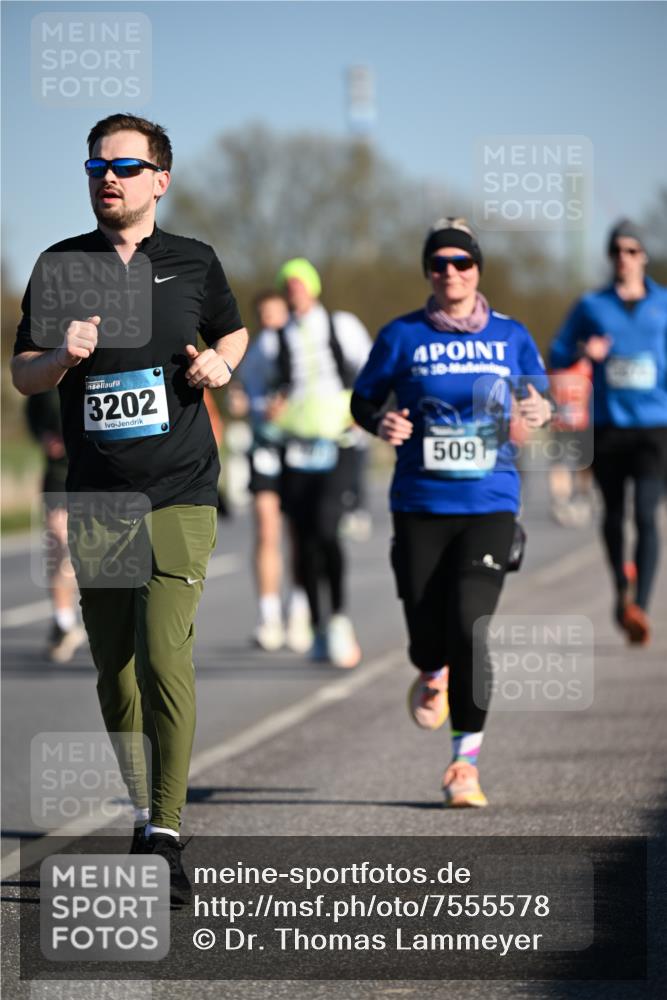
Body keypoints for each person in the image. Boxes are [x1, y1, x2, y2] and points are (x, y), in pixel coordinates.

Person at [11, 113, 248, 903]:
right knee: (114, 671)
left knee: (161, 651)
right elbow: (22, 376)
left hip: (180, 488)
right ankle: (145, 805)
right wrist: (61, 356)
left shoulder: (193, 262)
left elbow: (235, 333)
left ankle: (168, 830)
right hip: (98, 498)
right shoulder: (58, 266)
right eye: (94, 164)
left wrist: (219, 361)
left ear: (159, 179)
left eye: (123, 164)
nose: (106, 176)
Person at [351, 218, 552, 807]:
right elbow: (362, 400)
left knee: (470, 624)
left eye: (461, 263)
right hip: (419, 501)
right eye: (439, 264)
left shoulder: (511, 336)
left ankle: (464, 765)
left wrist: (538, 409)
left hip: (490, 499)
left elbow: (540, 396)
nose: (451, 273)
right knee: (424, 630)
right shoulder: (401, 336)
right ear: (428, 273)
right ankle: (429, 669)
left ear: (478, 270)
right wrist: (379, 422)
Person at [550, 219, 667, 645]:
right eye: (617, 250)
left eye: (633, 250)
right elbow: (556, 351)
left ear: (644, 256)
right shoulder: (591, 306)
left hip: (656, 426)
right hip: (607, 426)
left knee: (648, 513)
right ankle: (622, 587)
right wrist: (584, 350)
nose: (625, 257)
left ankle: (641, 609)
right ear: (610, 256)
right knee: (614, 515)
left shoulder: (664, 304)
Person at [261, 258, 372, 667]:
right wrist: (263, 407)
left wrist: (364, 408)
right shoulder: (276, 338)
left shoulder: (341, 326)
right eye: (286, 286)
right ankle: (318, 625)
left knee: (328, 529)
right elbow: (257, 387)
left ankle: (340, 618)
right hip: (294, 446)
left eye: (299, 284)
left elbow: (372, 368)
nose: (294, 292)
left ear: (314, 287)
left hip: (337, 440)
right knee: (303, 541)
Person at [230, 290, 312, 652]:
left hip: (299, 447)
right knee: (266, 528)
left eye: (276, 313)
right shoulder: (253, 352)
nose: (270, 320)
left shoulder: (303, 345)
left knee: (298, 533)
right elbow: (239, 393)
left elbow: (308, 388)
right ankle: (269, 617)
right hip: (264, 448)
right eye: (263, 314)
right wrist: (238, 399)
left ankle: (299, 611)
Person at [25, 390, 86, 662]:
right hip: (58, 473)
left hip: (96, 469)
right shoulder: (45, 372)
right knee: (58, 541)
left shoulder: (97, 365)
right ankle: (64, 623)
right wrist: (43, 436)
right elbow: (33, 413)